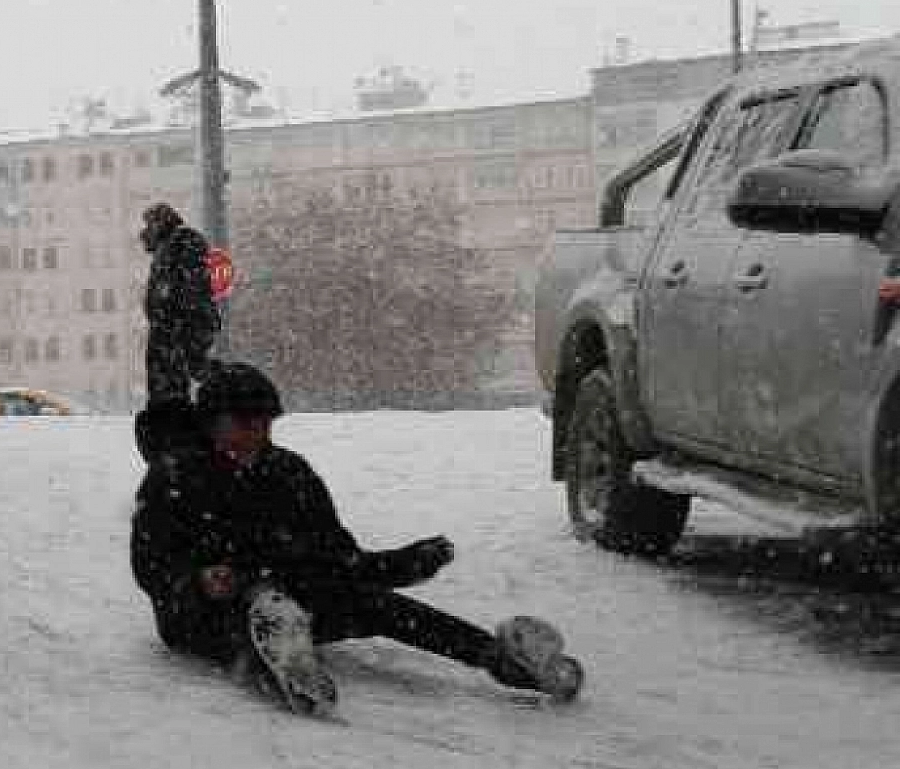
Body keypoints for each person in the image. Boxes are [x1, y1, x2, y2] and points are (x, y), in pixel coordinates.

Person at [130, 362, 584, 717]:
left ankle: (500, 658)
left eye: (264, 424)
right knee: (259, 601)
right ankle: (278, 662)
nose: (256, 435)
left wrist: (404, 565)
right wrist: (197, 581)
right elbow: (149, 564)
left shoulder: (288, 473)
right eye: (243, 424)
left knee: (367, 600)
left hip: (294, 593)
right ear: (212, 425)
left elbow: (341, 560)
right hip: (200, 614)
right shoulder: (175, 477)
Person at [134, 203, 220, 462]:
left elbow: (191, 295)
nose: (142, 234)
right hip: (169, 336)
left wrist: (186, 339)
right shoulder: (171, 247)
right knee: (167, 401)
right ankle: (172, 456)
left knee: (172, 401)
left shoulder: (183, 242)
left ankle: (179, 458)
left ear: (161, 223)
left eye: (148, 226)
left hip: (175, 337)